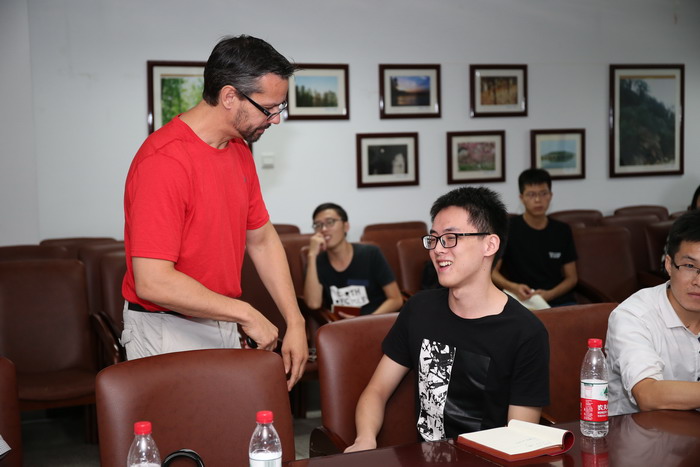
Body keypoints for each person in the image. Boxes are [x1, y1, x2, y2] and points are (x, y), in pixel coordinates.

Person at [121, 35, 307, 390]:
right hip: (167, 328)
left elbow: (262, 240)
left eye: (280, 108)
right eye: (269, 108)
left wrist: (295, 321)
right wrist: (246, 313)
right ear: (229, 97)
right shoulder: (164, 161)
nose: (276, 120)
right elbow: (153, 280)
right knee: (180, 428)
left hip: (220, 317)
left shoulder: (238, 150)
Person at [345, 187, 550, 452]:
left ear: (489, 245)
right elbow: (377, 390)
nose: (438, 249)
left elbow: (520, 439)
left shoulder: (525, 332)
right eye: (433, 239)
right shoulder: (419, 309)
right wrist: (365, 439)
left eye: (451, 238)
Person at [606, 209, 700, 416]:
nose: (698, 281)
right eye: (689, 266)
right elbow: (648, 395)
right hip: (637, 432)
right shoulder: (633, 316)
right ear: (669, 264)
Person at [492, 168, 578, 307]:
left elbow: (572, 278)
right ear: (522, 198)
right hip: (522, 300)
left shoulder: (562, 230)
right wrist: (513, 287)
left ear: (550, 195)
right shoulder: (508, 228)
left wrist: (550, 294)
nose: (538, 200)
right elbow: (492, 271)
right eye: (531, 194)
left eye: (543, 193)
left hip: (559, 300)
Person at [303, 203, 403, 317]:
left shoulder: (371, 253)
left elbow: (396, 299)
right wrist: (311, 255)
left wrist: (365, 321)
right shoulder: (316, 262)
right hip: (340, 325)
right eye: (318, 225)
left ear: (346, 226)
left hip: (375, 320)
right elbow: (313, 304)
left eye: (330, 222)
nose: (324, 229)